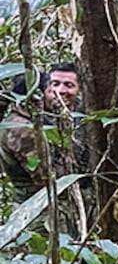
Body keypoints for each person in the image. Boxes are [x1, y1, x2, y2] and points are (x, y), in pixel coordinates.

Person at [0, 63, 85, 234]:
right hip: (38, 212)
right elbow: (49, 178)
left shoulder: (39, 119)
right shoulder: (22, 130)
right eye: (51, 86)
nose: (56, 92)